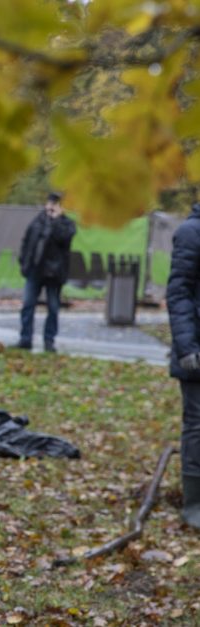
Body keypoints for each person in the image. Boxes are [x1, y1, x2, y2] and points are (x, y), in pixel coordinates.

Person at [166, 202, 200, 530]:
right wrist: (187, 345)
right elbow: (178, 293)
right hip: (196, 350)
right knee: (197, 426)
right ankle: (194, 505)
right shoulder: (191, 232)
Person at [16, 192, 76, 352]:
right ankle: (25, 338)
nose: (51, 206)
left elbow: (64, 238)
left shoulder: (67, 224)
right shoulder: (37, 222)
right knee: (28, 304)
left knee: (53, 307)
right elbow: (27, 242)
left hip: (54, 274)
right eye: (50, 202)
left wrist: (56, 220)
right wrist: (24, 263)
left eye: (55, 203)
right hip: (35, 270)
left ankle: (49, 341)